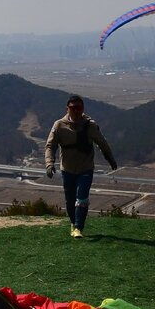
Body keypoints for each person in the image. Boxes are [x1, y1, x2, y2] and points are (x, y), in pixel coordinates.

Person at [45, 95, 119, 238]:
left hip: (85, 168)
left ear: (83, 108)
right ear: (67, 109)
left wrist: (110, 159)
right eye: (73, 108)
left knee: (82, 197)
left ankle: (79, 227)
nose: (76, 111)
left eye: (79, 108)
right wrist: (49, 163)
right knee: (70, 200)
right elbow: (50, 146)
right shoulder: (59, 125)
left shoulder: (90, 125)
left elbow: (102, 143)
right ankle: (73, 223)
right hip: (67, 169)